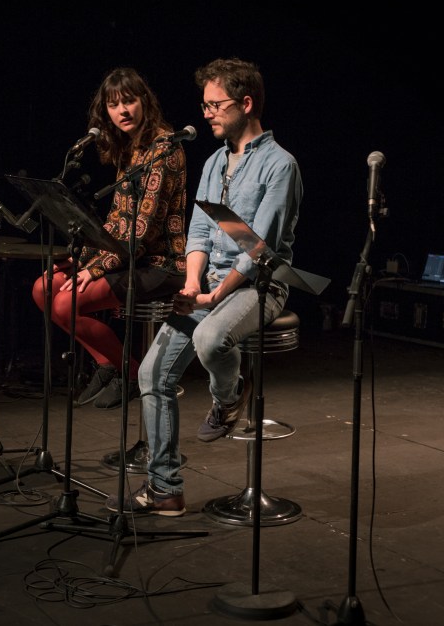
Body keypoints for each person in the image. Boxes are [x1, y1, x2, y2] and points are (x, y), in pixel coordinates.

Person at [106, 57, 303, 517]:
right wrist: (193, 284)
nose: (208, 113)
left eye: (216, 105)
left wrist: (216, 295)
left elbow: (258, 249)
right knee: (151, 374)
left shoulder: (280, 165)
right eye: (205, 105)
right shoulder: (215, 162)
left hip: (259, 285)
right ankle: (165, 489)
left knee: (210, 337)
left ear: (245, 104)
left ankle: (228, 398)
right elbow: (198, 232)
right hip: (210, 281)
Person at [31, 67, 187, 409]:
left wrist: (96, 268)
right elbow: (116, 222)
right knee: (43, 288)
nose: (122, 111)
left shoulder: (164, 150)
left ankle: (129, 372)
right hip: (127, 257)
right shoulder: (130, 149)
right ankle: (106, 363)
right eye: (114, 105)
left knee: (65, 303)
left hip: (160, 263)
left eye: (129, 101)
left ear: (144, 101)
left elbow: (141, 233)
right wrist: (82, 259)